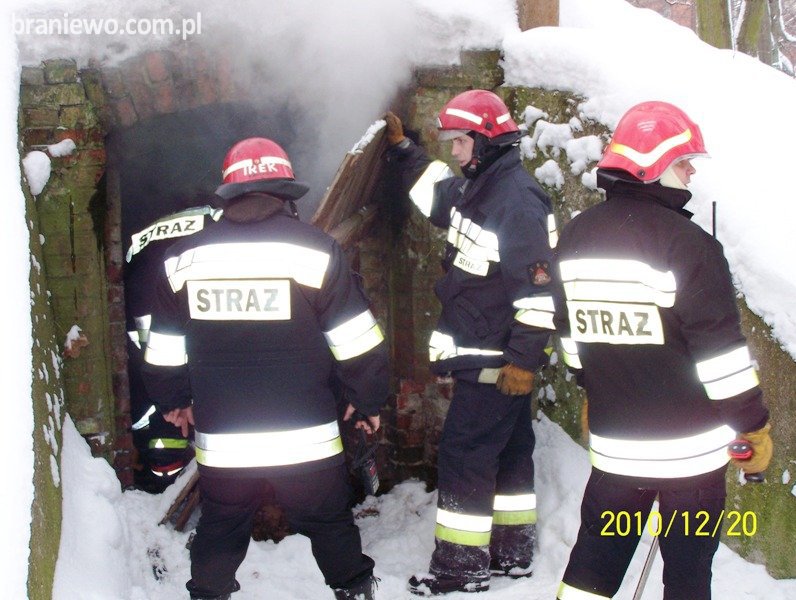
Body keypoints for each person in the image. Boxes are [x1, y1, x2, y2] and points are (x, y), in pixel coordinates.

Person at [142, 137, 389, 600]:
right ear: (285, 192)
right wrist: (367, 400)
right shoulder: (317, 252)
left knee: (221, 524)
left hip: (224, 442)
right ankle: (355, 592)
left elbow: (163, 351)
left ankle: (208, 595)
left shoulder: (181, 260)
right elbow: (356, 339)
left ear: (229, 193)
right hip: (307, 440)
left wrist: (174, 401)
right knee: (329, 522)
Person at [552, 101, 772, 600]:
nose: (692, 171)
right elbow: (722, 358)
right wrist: (753, 426)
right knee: (688, 578)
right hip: (691, 462)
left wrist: (591, 387)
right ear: (651, 166)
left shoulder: (576, 235)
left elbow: (569, 336)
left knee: (592, 569)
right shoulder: (688, 245)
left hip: (616, 454)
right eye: (683, 161)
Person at [384, 89, 557, 596]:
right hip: (489, 354)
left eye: (460, 142)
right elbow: (439, 196)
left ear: (484, 141)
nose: (455, 152)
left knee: (465, 455)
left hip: (496, 360)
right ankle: (512, 554)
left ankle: (460, 569)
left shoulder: (516, 202)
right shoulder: (481, 187)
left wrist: (522, 362)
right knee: (510, 453)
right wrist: (405, 151)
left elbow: (539, 293)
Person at [124, 204, 221, 493]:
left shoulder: (145, 236)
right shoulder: (216, 224)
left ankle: (164, 484)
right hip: (182, 339)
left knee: (163, 421)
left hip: (148, 342)